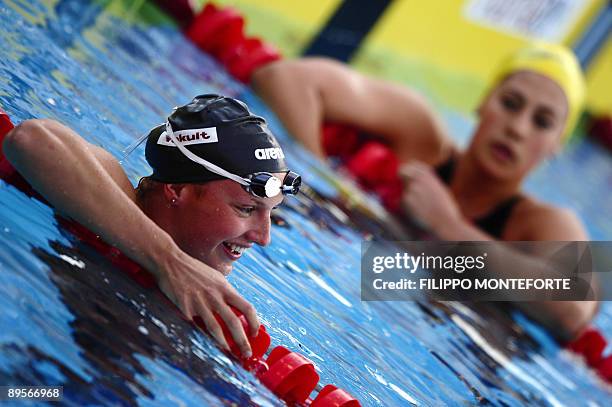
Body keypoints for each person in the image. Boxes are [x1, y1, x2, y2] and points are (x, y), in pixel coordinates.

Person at [250, 42, 597, 341]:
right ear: (483, 102)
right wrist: (321, 181)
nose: (518, 128)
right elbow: (284, 77)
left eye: (542, 122)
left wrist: (448, 226)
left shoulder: (540, 223)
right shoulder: (420, 138)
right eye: (510, 103)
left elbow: (574, 310)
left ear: (556, 146)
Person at [2, 94, 301, 357]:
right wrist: (168, 260)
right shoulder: (109, 191)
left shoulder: (201, 288)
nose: (264, 238)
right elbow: (31, 138)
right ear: (177, 190)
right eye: (246, 208)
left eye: (270, 213)